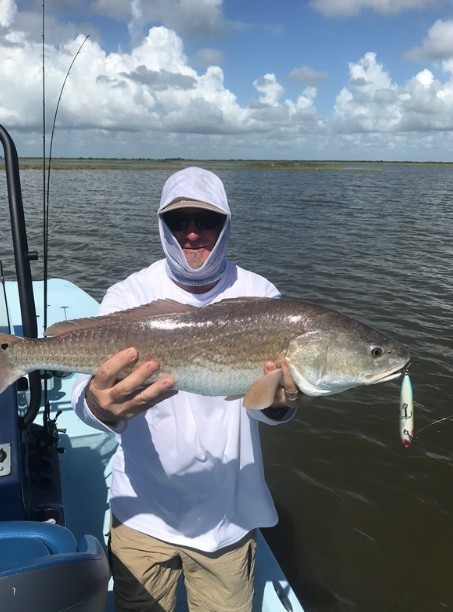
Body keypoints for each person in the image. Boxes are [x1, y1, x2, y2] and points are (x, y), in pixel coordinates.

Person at [72, 167, 307, 612]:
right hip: (141, 511)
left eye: (206, 220)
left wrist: (281, 404)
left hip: (227, 519)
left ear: (226, 224)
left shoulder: (262, 295)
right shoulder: (128, 296)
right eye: (179, 222)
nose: (193, 234)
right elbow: (85, 397)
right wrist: (97, 406)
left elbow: (265, 406)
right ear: (163, 226)